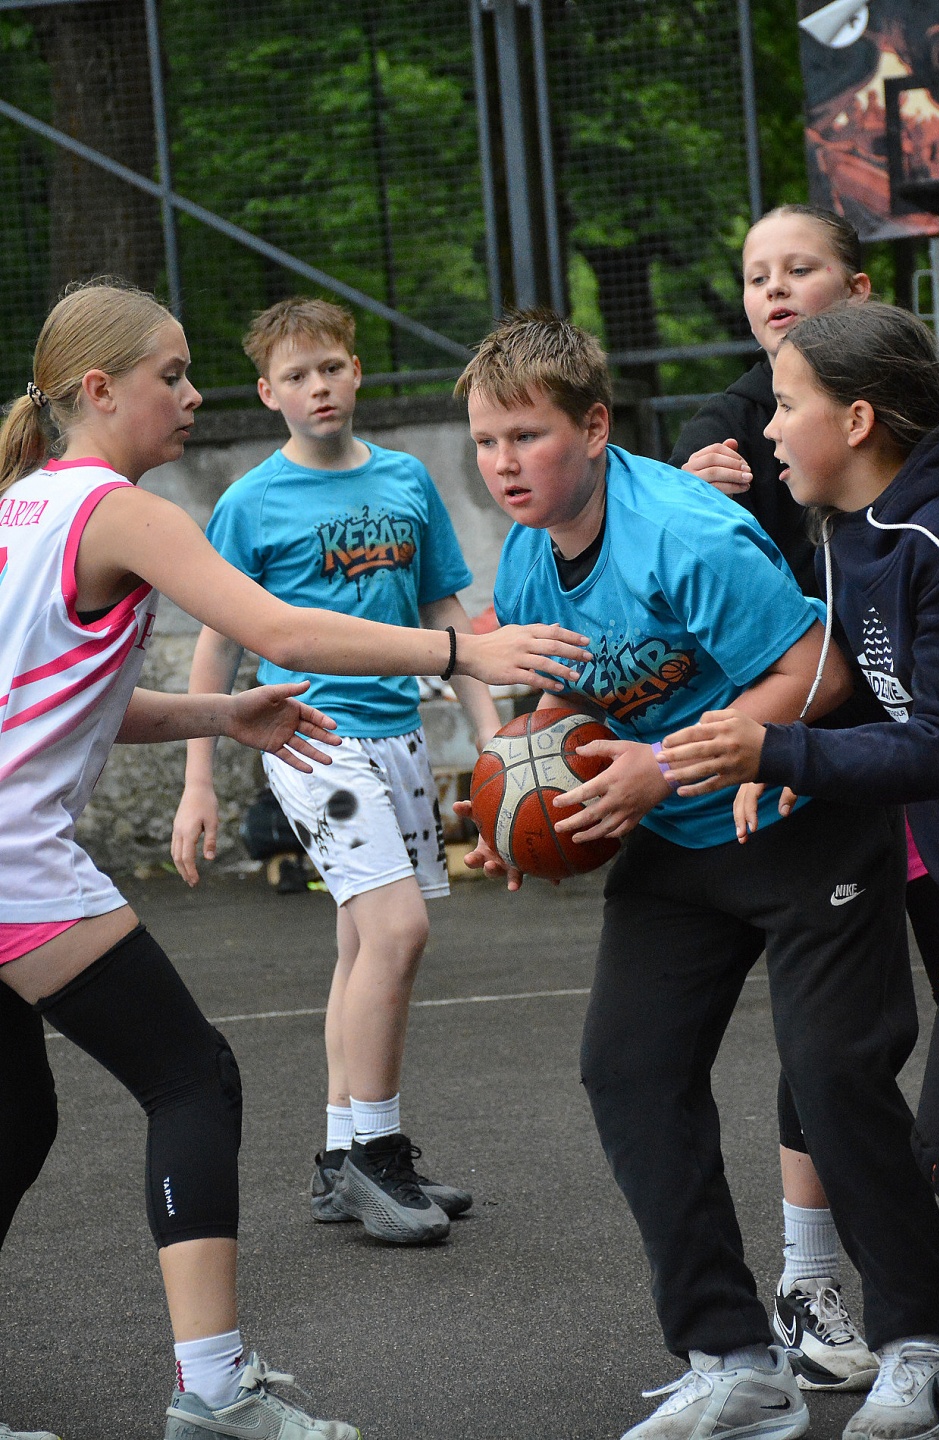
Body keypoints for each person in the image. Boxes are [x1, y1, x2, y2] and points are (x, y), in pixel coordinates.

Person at [0, 280, 589, 1440]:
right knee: (191, 1079)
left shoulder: (21, 506)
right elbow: (275, 629)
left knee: (18, 1119)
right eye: (172, 375)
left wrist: (221, 719)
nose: (193, 394)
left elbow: (58, 704)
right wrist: (458, 650)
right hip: (18, 865)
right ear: (100, 390)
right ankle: (215, 1391)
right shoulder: (120, 511)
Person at [453, 309, 939, 1440]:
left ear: (594, 428)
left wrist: (665, 764)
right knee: (626, 1071)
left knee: (831, 1077)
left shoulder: (684, 533)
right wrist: (521, 804)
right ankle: (732, 1359)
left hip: (799, 820)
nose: (502, 464)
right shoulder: (529, 557)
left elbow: (816, 673)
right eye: (485, 442)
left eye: (526, 437)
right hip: (676, 836)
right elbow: (573, 696)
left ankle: (921, 1340)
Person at [670, 204, 939, 1392]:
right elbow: (853, 687)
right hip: (930, 848)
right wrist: (769, 743)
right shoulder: (841, 523)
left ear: (854, 418)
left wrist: (772, 753)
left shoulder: (931, 540)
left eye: (785, 406)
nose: (765, 423)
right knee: (911, 1119)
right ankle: (870, 1313)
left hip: (930, 821)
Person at [170, 296, 497, 1247]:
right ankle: (376, 1157)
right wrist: (198, 781)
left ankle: (338, 1157)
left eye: (331, 367)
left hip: (399, 739)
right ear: (267, 393)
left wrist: (490, 738)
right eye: (296, 375)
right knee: (398, 931)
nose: (317, 386)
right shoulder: (249, 502)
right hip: (312, 742)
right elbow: (217, 647)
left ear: (356, 372)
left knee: (361, 947)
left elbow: (446, 615)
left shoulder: (406, 479)